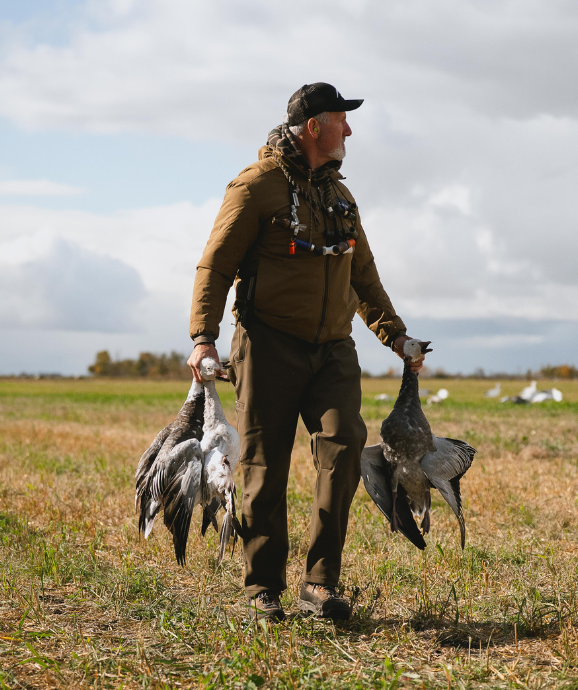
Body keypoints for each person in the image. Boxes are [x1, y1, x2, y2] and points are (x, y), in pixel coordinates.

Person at [187, 83, 423, 621]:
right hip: (266, 345)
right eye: (342, 119)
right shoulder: (256, 186)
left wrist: (398, 337)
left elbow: (364, 278)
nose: (349, 130)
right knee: (264, 468)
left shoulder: (341, 197)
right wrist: (203, 336)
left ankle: (320, 583)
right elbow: (215, 266)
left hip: (333, 351)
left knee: (344, 446)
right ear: (313, 126)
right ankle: (262, 587)